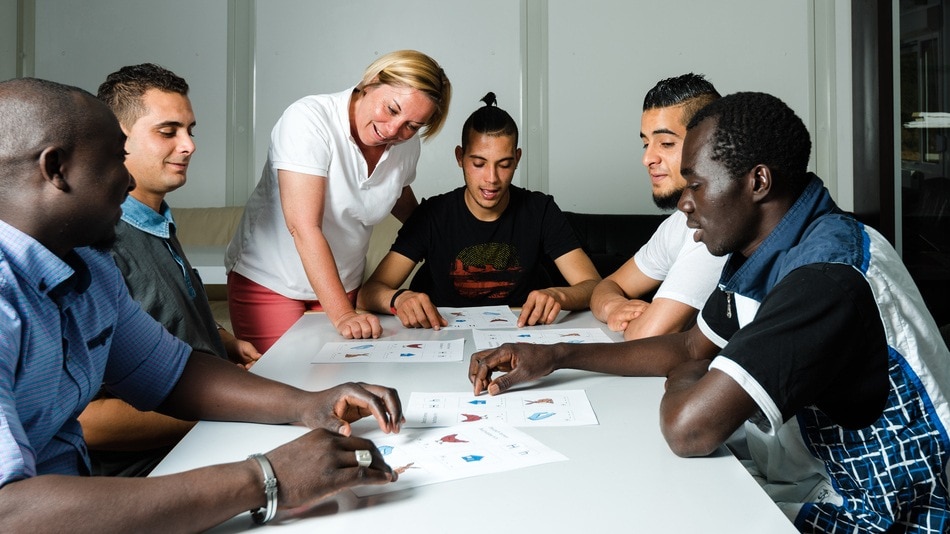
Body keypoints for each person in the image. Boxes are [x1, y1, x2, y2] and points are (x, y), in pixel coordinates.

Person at [469, 92, 950, 532]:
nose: (684, 202)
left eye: (696, 184)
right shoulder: (768, 244)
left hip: (882, 514)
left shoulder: (826, 275)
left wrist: (695, 375)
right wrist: (554, 356)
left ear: (757, 181)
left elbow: (689, 428)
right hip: (814, 474)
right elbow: (691, 346)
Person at [0, 77, 403, 531]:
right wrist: (264, 477)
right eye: (116, 158)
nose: (127, 177)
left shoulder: (87, 266)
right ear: (56, 169)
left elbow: (174, 373)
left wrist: (308, 403)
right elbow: (9, 513)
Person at [76, 63, 262, 478]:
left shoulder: (155, 220)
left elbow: (166, 309)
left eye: (190, 130)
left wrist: (226, 343)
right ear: (115, 139)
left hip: (209, 439)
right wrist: (229, 407)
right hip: (150, 473)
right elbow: (88, 422)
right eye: (168, 131)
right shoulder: (96, 245)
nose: (189, 145)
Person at [225, 50, 451, 350]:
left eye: (412, 125)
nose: (393, 130)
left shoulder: (404, 145)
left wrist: (443, 242)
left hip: (344, 283)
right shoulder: (308, 120)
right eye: (392, 109)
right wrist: (343, 315)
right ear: (371, 82)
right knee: (286, 389)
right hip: (272, 283)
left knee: (343, 388)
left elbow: (396, 192)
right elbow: (304, 227)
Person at [357, 93, 601, 329]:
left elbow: (593, 286)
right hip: (442, 335)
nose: (491, 179)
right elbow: (368, 292)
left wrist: (559, 295)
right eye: (479, 163)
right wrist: (398, 299)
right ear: (460, 157)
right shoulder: (433, 214)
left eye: (504, 164)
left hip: (521, 338)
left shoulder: (540, 210)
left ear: (517, 159)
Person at [590, 73, 725, 340]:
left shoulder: (722, 222)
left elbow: (649, 335)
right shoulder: (678, 223)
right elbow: (608, 285)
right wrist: (615, 306)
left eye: (666, 143)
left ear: (709, 142)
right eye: (645, 143)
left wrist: (640, 322)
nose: (647, 158)